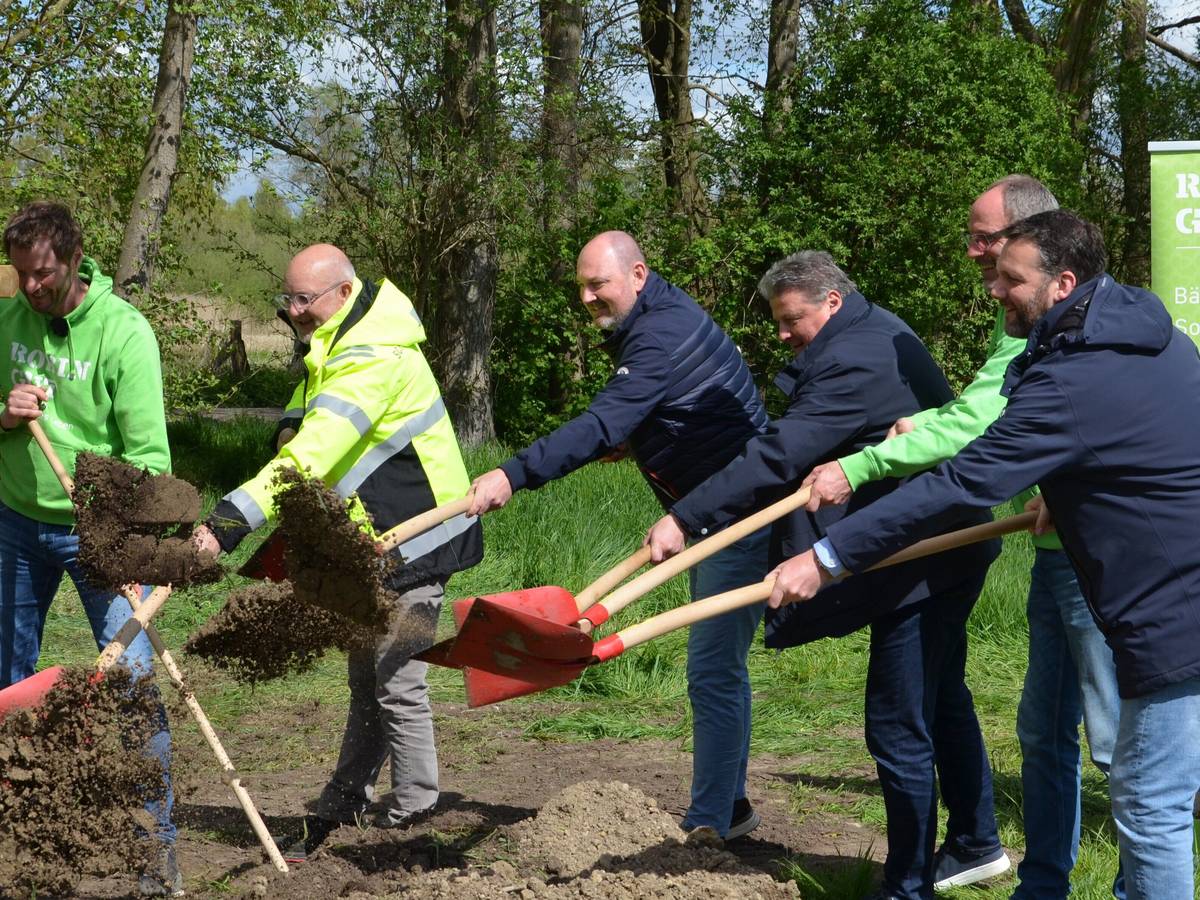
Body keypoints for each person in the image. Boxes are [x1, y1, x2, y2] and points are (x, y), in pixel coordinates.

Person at [771, 210, 1200, 900]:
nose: (993, 288)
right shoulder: (1138, 332)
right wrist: (1072, 487)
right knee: (1147, 792)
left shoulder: (1073, 376)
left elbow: (965, 479)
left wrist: (826, 558)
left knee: (1150, 805)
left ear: (1062, 284)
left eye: (1010, 277)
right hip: (1167, 587)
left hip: (1173, 607)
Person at [646, 251, 1005, 900]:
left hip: (922, 553)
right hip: (945, 540)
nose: (781, 334)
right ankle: (976, 843)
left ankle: (906, 887)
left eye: (791, 320)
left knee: (896, 725)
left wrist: (686, 519)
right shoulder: (871, 326)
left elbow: (783, 452)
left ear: (830, 303)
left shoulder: (852, 361)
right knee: (944, 698)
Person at [467, 230, 770, 839]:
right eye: (581, 285)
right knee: (721, 668)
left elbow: (604, 417)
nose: (586, 296)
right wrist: (641, 435)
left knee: (712, 668)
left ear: (637, 274)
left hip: (735, 510)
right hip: (722, 500)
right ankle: (728, 806)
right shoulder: (663, 312)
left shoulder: (656, 335)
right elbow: (674, 402)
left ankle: (712, 820)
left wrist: (514, 472)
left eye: (597, 283)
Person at [193, 244, 483, 858]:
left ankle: (414, 814)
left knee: (398, 679)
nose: (294, 311)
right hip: (366, 545)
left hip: (418, 540)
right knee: (365, 681)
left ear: (344, 294)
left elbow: (313, 454)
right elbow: (308, 410)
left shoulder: (375, 356)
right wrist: (287, 424)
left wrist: (226, 522)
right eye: (288, 299)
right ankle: (345, 802)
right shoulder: (337, 342)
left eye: (305, 300)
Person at [0, 201, 182, 896]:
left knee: (133, 684)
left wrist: (114, 534)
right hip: (13, 521)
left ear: (75, 258)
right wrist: (6, 416)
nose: (33, 288)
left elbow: (148, 460)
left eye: (42, 273)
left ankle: (154, 856)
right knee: (6, 678)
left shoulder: (123, 333)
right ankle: (16, 834)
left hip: (99, 535)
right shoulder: (8, 317)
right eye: (21, 275)